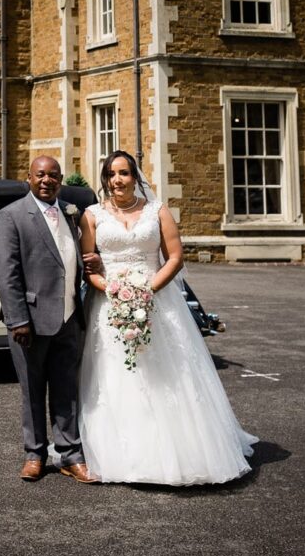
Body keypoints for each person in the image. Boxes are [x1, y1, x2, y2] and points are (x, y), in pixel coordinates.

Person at [77, 149, 257, 485]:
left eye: (124, 173)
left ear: (135, 177)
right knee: (116, 376)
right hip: (110, 304)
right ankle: (124, 454)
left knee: (168, 374)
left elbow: (174, 257)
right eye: (111, 174)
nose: (118, 180)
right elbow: (90, 266)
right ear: (105, 179)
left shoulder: (157, 211)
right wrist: (114, 291)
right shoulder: (91, 215)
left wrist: (147, 291)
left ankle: (182, 453)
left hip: (158, 299)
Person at [0, 156, 95, 483]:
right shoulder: (11, 216)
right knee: (33, 391)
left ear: (60, 180)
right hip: (30, 322)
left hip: (69, 318)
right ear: (29, 178)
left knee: (67, 390)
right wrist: (17, 319)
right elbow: (7, 274)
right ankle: (34, 454)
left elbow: (72, 261)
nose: (47, 180)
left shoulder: (70, 212)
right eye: (41, 175)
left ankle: (70, 455)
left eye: (53, 175)